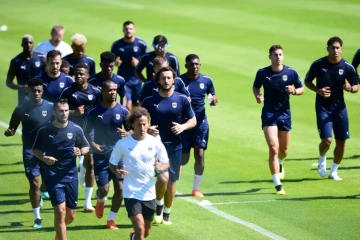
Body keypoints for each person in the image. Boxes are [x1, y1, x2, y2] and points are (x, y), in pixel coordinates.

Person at [142, 66, 196, 224]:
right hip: (156, 146)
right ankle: (158, 204)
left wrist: (183, 127)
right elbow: (137, 120)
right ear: (158, 80)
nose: (166, 81)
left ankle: (167, 211)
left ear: (174, 80)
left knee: (172, 181)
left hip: (175, 146)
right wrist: (147, 128)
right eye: (163, 78)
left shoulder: (182, 99)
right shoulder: (150, 101)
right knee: (163, 179)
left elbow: (193, 120)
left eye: (169, 78)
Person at [32, 99, 90, 240]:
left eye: (66, 111)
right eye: (61, 111)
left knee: (70, 215)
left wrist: (80, 152)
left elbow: (86, 147)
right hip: (53, 176)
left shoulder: (76, 129)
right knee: (60, 211)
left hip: (71, 176)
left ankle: (58, 235)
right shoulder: (45, 130)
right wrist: (44, 158)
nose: (64, 114)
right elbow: (35, 150)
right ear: (54, 112)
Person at [109, 107, 169, 240]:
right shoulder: (123, 144)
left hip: (148, 191)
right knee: (140, 229)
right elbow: (112, 164)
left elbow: (166, 162)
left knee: (146, 232)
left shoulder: (155, 143)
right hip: (131, 191)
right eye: (139, 125)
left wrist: (161, 166)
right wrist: (117, 171)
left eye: (144, 124)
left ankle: (133, 237)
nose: (142, 128)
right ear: (132, 125)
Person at [304, 36, 358, 180]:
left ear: (341, 49)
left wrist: (350, 88)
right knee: (327, 140)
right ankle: (322, 157)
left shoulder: (347, 67)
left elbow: (356, 86)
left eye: (338, 48)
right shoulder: (318, 64)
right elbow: (307, 81)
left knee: (341, 141)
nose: (335, 50)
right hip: (323, 107)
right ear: (327, 49)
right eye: (332, 48)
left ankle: (334, 171)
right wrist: (318, 90)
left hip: (340, 108)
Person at [252, 45, 304, 195]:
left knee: (284, 150)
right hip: (269, 114)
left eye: (280, 54)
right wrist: (258, 96)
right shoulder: (263, 73)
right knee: (273, 148)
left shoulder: (291, 72)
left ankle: (281, 163)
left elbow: (301, 89)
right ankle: (278, 185)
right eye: (275, 55)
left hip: (285, 114)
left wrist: (293, 91)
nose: (278, 57)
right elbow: (256, 87)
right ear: (270, 57)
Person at [4, 78, 53, 229]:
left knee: (47, 185)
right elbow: (12, 127)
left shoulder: (51, 107)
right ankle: (37, 217)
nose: (36, 93)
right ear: (28, 91)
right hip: (30, 151)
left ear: (42, 91)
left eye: (39, 91)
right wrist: (10, 131)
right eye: (33, 91)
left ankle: (42, 192)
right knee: (34, 183)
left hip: (47, 151)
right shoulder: (20, 109)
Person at [84, 80, 131, 229]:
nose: (113, 93)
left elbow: (133, 130)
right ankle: (100, 198)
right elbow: (84, 133)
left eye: (114, 90)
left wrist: (128, 132)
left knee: (121, 189)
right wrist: (93, 145)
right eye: (109, 90)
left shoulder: (123, 111)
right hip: (101, 156)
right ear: (102, 92)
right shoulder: (94, 111)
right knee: (104, 189)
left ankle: (111, 219)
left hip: (119, 156)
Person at [59, 63, 101, 211]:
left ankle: (87, 202)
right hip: (69, 133)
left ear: (88, 76)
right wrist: (73, 113)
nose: (78, 76)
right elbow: (57, 111)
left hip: (88, 134)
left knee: (90, 164)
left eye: (82, 74)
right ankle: (64, 197)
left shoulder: (95, 92)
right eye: (76, 73)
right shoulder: (68, 91)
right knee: (65, 166)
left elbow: (100, 110)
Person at [179, 54, 218, 197]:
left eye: (197, 64)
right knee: (184, 158)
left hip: (201, 123)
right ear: (186, 66)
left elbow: (212, 96)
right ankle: (171, 182)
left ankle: (196, 189)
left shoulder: (206, 80)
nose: (194, 67)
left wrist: (213, 101)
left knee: (200, 154)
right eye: (191, 64)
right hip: (185, 123)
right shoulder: (179, 81)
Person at [111, 21, 148, 110]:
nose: (128, 31)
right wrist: (115, 63)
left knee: (137, 105)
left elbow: (148, 59)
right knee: (127, 104)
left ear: (134, 30)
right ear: (123, 30)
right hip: (124, 79)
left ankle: (133, 123)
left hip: (137, 80)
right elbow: (110, 60)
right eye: (126, 29)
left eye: (130, 29)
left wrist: (138, 63)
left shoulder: (141, 44)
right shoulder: (117, 45)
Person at [6, 35, 46, 105]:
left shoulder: (42, 58)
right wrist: (21, 87)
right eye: (26, 43)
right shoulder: (16, 61)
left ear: (33, 44)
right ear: (22, 44)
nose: (28, 45)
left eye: (30, 43)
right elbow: (8, 82)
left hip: (40, 94)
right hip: (24, 96)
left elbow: (48, 74)